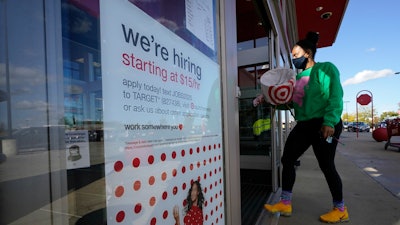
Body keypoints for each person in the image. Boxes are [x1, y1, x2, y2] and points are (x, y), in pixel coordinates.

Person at [256, 31, 349, 223]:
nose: (293, 59)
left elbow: (335, 95)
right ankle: (285, 202)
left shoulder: (325, 69)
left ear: (308, 53)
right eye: (292, 56)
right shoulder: (297, 80)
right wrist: (268, 100)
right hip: (305, 124)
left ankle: (340, 208)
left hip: (324, 123)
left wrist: (330, 121)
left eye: (296, 55)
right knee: (287, 159)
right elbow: (290, 103)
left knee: (326, 165)